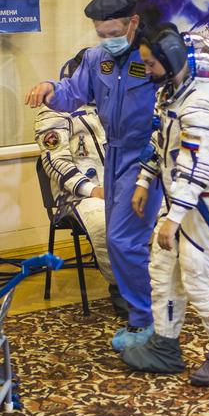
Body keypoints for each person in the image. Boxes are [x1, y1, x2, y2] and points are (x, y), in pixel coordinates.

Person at [25, 0, 162, 352]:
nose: (107, 40)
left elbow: (178, 99)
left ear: (133, 23)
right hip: (114, 156)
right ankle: (144, 314)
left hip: (147, 155)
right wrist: (49, 89)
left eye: (113, 32)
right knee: (121, 243)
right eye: (101, 33)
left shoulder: (153, 57)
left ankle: (147, 321)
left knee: (123, 240)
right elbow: (72, 93)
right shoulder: (96, 59)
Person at [124, 29, 209, 386]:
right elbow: (160, 140)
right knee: (164, 269)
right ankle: (165, 345)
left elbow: (197, 165)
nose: (147, 70)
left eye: (151, 63)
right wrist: (143, 180)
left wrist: (174, 217)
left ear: (170, 61)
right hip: (188, 199)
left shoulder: (201, 103)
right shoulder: (173, 93)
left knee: (201, 277)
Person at [34, 51, 130, 319]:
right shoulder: (54, 110)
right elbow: (56, 163)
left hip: (118, 185)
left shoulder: (114, 104)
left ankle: (152, 283)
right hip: (77, 196)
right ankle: (121, 288)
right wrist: (93, 190)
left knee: (157, 209)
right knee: (105, 221)